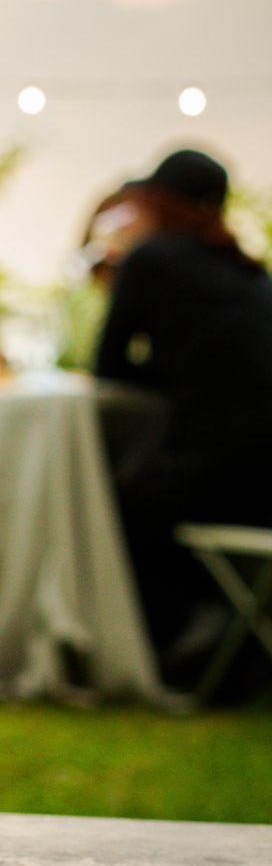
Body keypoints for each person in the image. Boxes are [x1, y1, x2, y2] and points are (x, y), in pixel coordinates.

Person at [91, 149, 272, 683]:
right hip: (263, 478)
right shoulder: (248, 271)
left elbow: (108, 366)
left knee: (107, 503)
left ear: (157, 202)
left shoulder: (150, 260)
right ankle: (231, 639)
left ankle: (176, 646)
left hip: (217, 474)